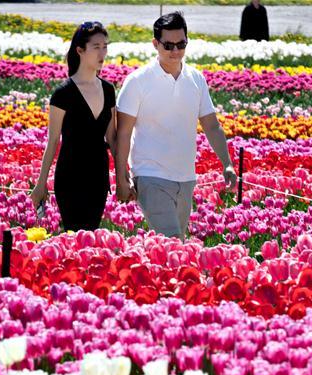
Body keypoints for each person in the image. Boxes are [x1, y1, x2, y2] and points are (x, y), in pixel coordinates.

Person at [115, 12, 237, 241]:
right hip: (150, 175)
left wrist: (227, 163)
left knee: (175, 246)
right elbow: (123, 132)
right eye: (168, 45)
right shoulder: (138, 81)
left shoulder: (196, 79)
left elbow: (211, 126)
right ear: (155, 44)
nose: (175, 51)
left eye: (181, 44)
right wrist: (121, 176)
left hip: (186, 177)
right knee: (173, 241)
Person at [31, 22, 117, 232]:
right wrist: (41, 184)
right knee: (74, 235)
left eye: (105, 46)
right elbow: (53, 141)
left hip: (98, 176)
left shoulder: (108, 90)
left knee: (92, 236)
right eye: (96, 47)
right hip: (71, 176)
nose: (102, 53)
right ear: (80, 50)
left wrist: (124, 176)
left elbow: (113, 138)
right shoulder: (63, 93)